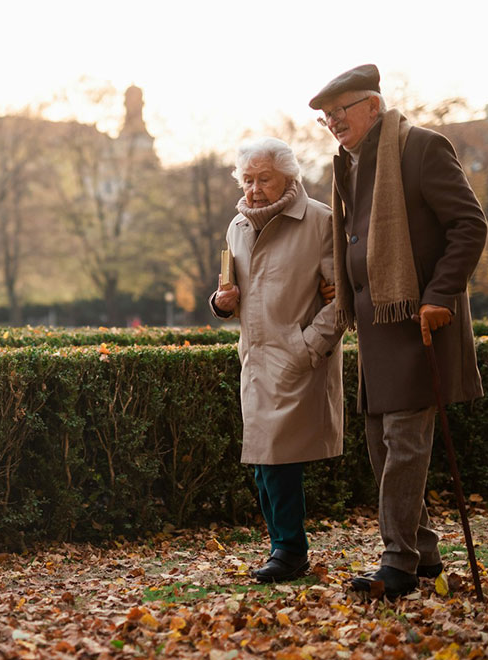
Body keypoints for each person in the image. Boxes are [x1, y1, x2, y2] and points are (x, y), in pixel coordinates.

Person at [309, 64, 488, 598]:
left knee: (403, 445)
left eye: (340, 111)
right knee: (380, 446)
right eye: (326, 116)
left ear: (373, 105)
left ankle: (398, 564)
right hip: (375, 327)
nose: (333, 122)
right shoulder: (347, 163)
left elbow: (469, 225)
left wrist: (440, 295)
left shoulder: (422, 148)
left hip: (418, 323)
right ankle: (424, 553)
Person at [209, 137, 344, 583]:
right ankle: (283, 548)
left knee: (278, 460)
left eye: (264, 178)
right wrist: (220, 302)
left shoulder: (321, 221)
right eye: (247, 179)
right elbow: (230, 292)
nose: (254, 189)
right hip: (254, 359)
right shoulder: (237, 227)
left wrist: (309, 346)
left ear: (289, 177)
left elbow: (341, 299)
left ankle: (289, 550)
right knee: (263, 461)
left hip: (296, 357)